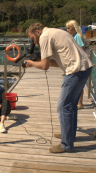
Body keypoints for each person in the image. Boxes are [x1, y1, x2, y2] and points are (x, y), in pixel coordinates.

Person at [25, 23, 93, 153]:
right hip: (84, 67)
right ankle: (69, 135)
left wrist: (32, 63)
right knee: (71, 106)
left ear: (37, 32)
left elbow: (44, 66)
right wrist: (39, 60)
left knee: (63, 107)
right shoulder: (54, 31)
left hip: (75, 71)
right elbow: (55, 62)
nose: (33, 42)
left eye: (33, 38)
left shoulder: (44, 36)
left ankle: (66, 144)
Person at [66, 20, 85, 110]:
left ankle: (80, 103)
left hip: (79, 63)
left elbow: (81, 49)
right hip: (77, 62)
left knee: (78, 84)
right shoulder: (75, 36)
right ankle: (79, 102)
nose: (68, 30)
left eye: (69, 28)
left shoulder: (78, 36)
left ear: (74, 28)